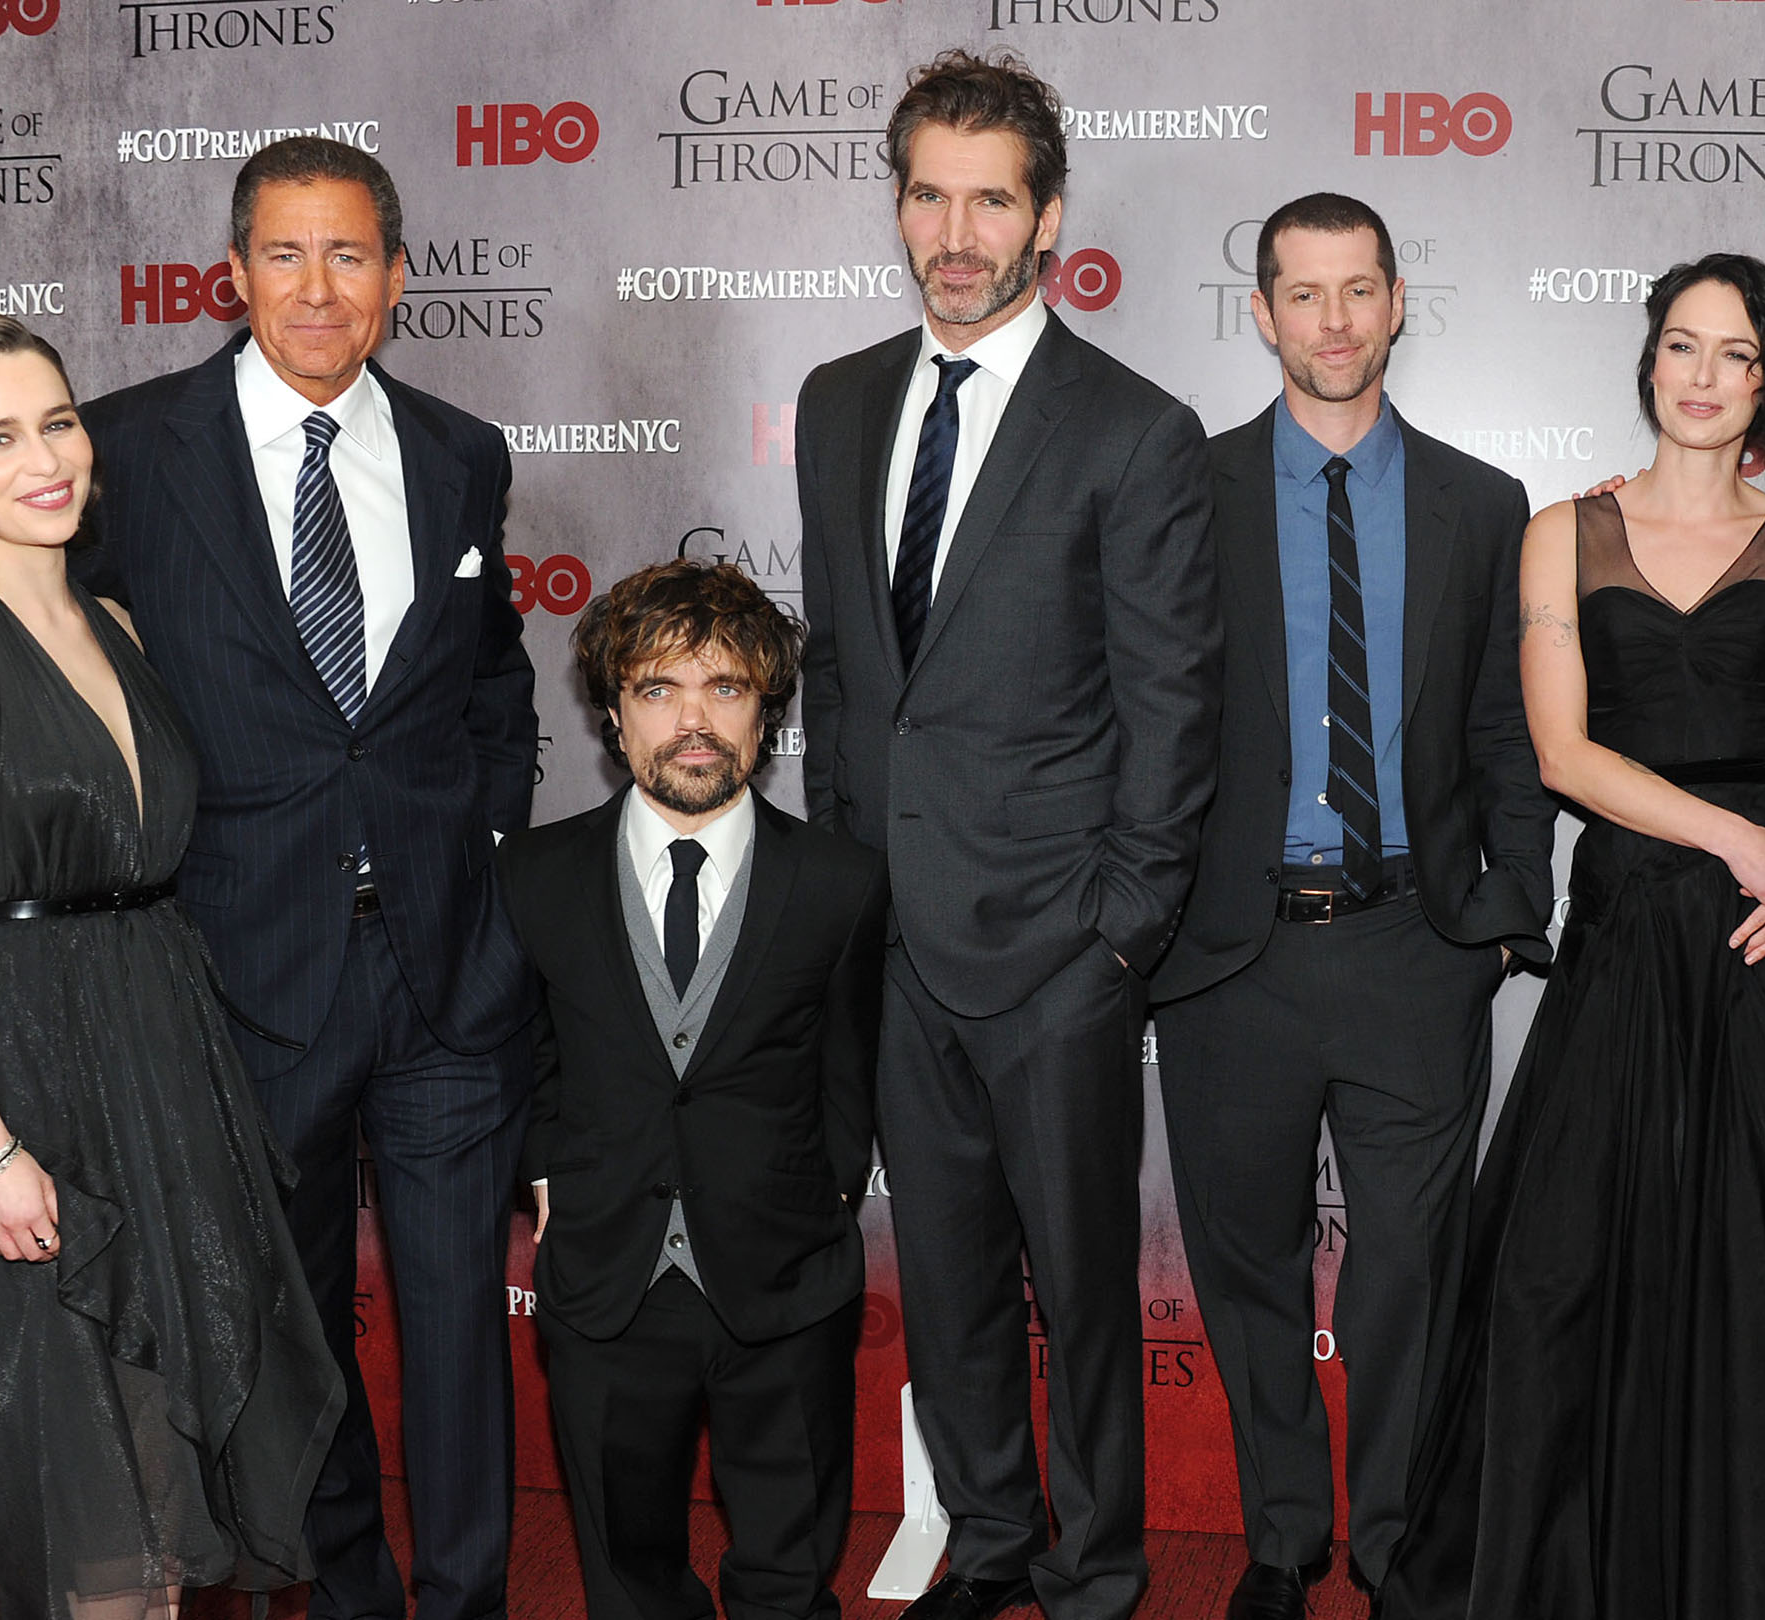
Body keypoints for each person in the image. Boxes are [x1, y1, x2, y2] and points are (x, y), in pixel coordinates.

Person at [1384, 255, 1765, 1620]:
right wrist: (1740, 842)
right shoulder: (1563, 531)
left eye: (1734, 354)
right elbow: (1562, 754)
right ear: (1650, 361)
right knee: (1569, 1264)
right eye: (1681, 345)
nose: (1703, 375)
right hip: (1638, 919)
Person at [75, 137, 540, 1620]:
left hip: (447, 974)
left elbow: (494, 682)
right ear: (234, 272)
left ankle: (463, 1599)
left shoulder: (463, 453)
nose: (318, 288)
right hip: (245, 971)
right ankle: (348, 1594)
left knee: (462, 1327)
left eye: (349, 255)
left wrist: (481, 851)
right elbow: (63, 693)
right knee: (299, 1335)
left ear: (397, 278)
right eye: (285, 254)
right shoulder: (127, 450)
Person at [794, 48, 1218, 1620]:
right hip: (891, 936)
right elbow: (844, 671)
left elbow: (1174, 707)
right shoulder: (840, 402)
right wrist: (843, 890)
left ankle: (1096, 1571)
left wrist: (1119, 933)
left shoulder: (1133, 429)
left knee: (1085, 1292)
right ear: (899, 204)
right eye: (930, 196)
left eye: (991, 202)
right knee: (947, 1276)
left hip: (1059, 951)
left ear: (1047, 219)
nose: (956, 235)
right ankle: (988, 1544)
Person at [0, 311, 344, 1619]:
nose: (46, 459)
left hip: (163, 1054)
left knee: (169, 1456)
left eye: (57, 422)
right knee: (83, 1472)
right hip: (27, 1075)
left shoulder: (113, 621)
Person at [1148, 192, 1550, 1620]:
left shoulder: (1482, 504)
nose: (1333, 320)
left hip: (1412, 947)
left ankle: (1392, 1546)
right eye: (1303, 294)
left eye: (1358, 289)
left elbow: (1507, 727)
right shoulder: (1180, 490)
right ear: (1263, 312)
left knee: (1409, 1276)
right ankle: (1282, 1541)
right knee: (1246, 1267)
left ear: (1396, 304)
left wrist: (1503, 911)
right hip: (1227, 957)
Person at [501, 559, 889, 1620]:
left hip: (787, 1277)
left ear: (765, 713)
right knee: (629, 1578)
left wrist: (820, 1198)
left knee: (789, 1573)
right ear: (614, 713)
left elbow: (851, 1068)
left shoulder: (842, 882)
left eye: (724, 688)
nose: (693, 722)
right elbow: (526, 1051)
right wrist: (548, 1175)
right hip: (607, 1277)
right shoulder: (534, 875)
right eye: (658, 689)